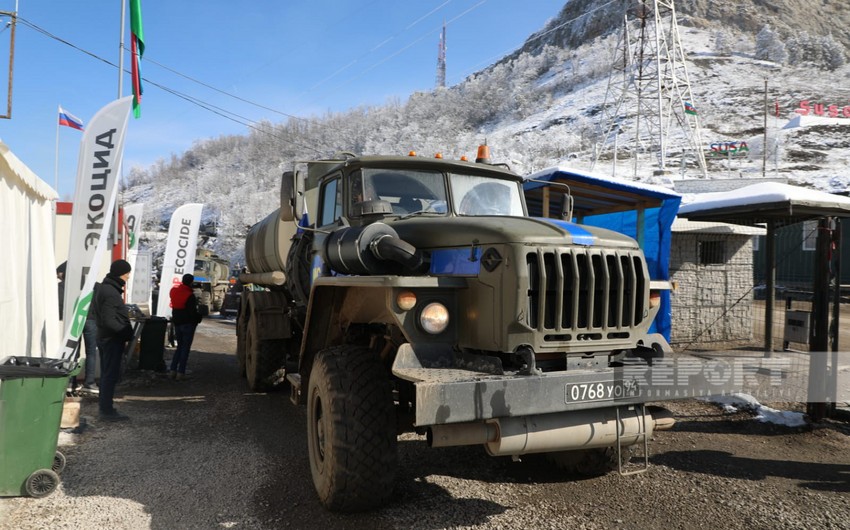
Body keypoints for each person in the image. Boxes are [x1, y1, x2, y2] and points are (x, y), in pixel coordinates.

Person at [92, 259, 135, 421]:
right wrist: (124, 332)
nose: (128, 277)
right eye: (127, 274)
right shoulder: (110, 292)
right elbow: (109, 320)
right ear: (121, 274)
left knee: (106, 374)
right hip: (111, 339)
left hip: (104, 337)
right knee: (110, 375)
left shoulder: (105, 288)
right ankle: (106, 410)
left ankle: (105, 407)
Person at [169, 273, 203, 380]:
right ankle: (181, 372)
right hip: (188, 324)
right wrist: (198, 318)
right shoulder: (190, 295)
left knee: (179, 347)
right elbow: (192, 312)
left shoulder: (174, 291)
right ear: (191, 283)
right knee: (185, 349)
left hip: (177, 323)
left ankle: (172, 370)